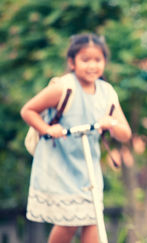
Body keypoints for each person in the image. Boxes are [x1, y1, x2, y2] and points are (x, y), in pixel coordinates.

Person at [20, 33, 132, 243]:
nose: (92, 66)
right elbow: (28, 110)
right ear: (72, 62)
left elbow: (125, 133)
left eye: (97, 60)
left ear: (104, 62)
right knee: (69, 224)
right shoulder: (64, 87)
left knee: (93, 220)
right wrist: (46, 128)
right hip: (60, 166)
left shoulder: (106, 92)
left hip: (88, 169)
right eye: (85, 60)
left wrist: (112, 124)